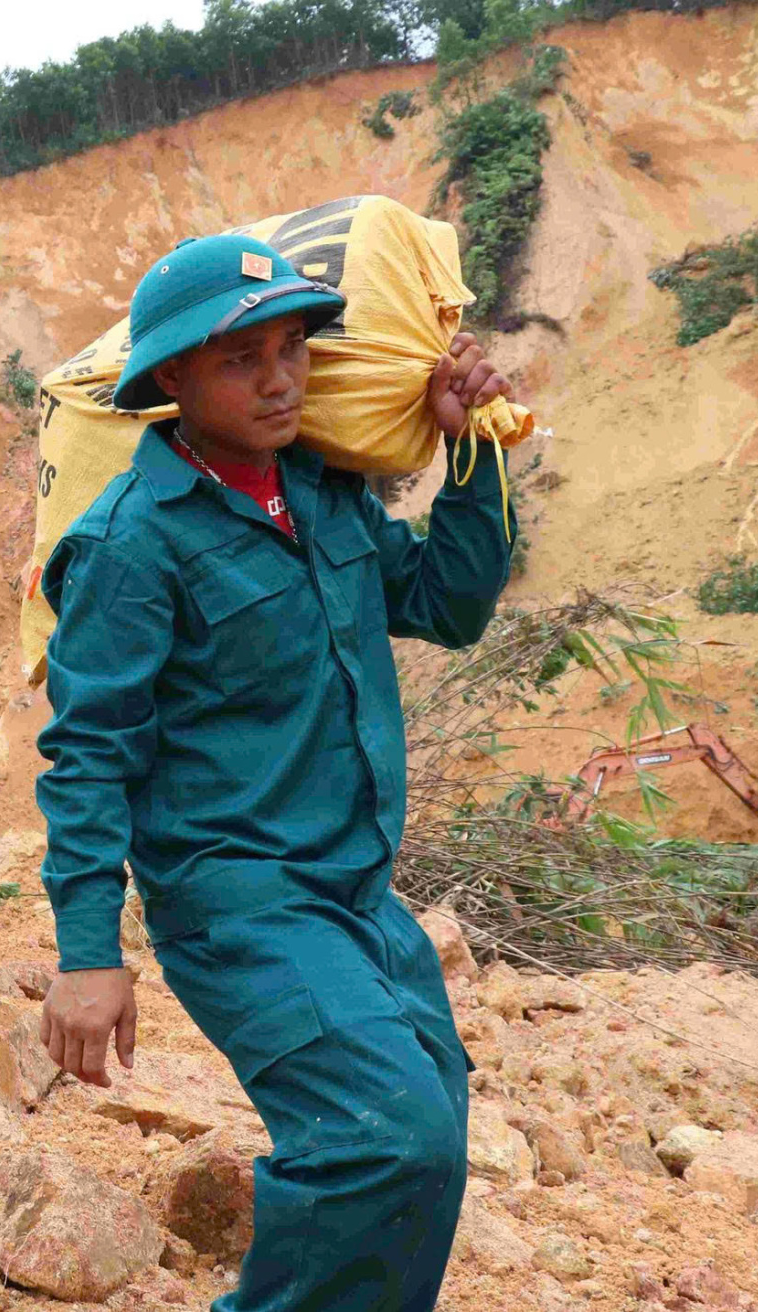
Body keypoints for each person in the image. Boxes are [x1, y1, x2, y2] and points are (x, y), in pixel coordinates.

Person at [35, 234, 515, 1312]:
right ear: (172, 378)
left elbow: (450, 602)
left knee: (429, 1134)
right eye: (241, 358)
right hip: (240, 901)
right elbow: (88, 755)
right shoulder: (131, 542)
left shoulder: (327, 497)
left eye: (293, 347)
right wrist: (86, 954)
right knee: (383, 1142)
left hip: (357, 892)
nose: (280, 378)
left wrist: (471, 448)